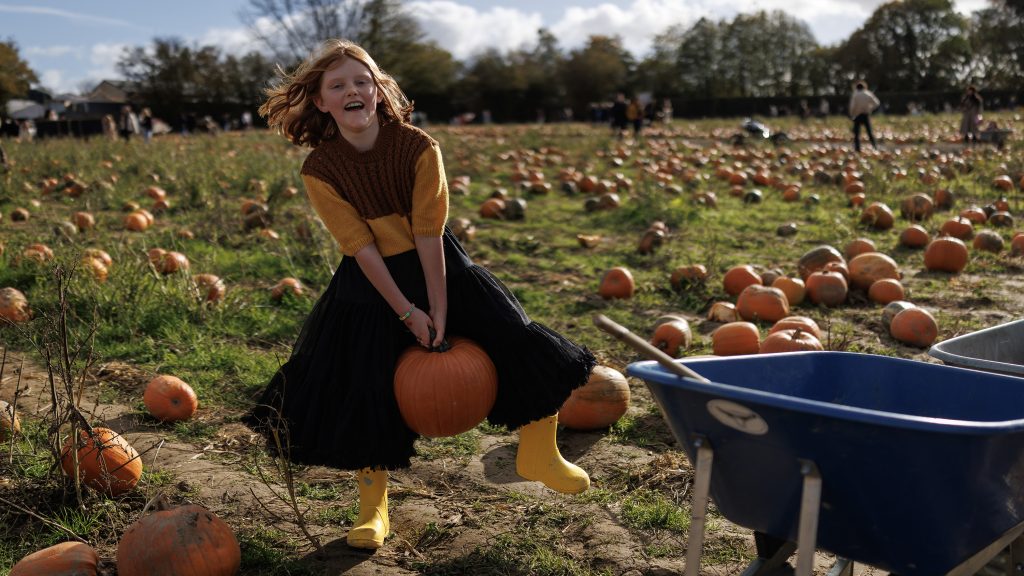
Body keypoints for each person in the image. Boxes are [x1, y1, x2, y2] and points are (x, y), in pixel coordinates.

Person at [242, 39, 597, 551]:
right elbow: (359, 246)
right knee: (363, 384)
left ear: (379, 90)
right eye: (337, 85)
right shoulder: (321, 169)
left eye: (362, 81)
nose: (352, 91)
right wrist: (407, 312)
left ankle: (538, 452)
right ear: (320, 102)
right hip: (369, 282)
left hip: (439, 265)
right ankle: (374, 508)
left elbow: (429, 232)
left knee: (515, 338)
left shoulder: (417, 147)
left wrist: (440, 306)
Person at [848, 81, 879, 153]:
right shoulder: (868, 94)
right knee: (869, 132)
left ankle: (857, 149)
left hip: (858, 115)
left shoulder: (855, 95)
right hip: (866, 114)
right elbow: (877, 103)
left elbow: (852, 106)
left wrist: (852, 114)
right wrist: (870, 108)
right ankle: (874, 146)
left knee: (857, 133)